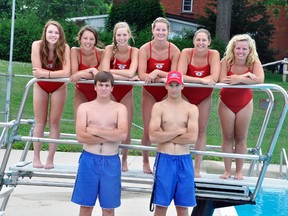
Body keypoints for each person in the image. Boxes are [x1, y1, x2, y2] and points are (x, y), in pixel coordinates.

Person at [71, 71, 128, 216]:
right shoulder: (85, 108)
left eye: (107, 85)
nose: (103, 88)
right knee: (85, 206)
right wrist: (110, 135)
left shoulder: (120, 109)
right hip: (89, 159)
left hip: (111, 161)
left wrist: (93, 130)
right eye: (100, 85)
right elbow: (81, 137)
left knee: (108, 209)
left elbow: (122, 134)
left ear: (112, 88)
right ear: (95, 87)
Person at [149, 71, 198, 216]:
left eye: (177, 85)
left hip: (184, 160)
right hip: (164, 159)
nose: (174, 88)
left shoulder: (191, 109)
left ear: (183, 86)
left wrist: (164, 136)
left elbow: (192, 138)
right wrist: (179, 131)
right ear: (166, 86)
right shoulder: (159, 107)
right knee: (161, 206)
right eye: (171, 85)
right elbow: (153, 137)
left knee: (183, 207)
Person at [218, 34, 264, 180]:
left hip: (245, 103)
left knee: (241, 137)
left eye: (244, 48)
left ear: (250, 50)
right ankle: (227, 170)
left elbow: (260, 80)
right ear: (233, 48)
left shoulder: (254, 62)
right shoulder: (226, 61)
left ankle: (238, 171)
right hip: (226, 102)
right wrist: (247, 78)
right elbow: (222, 79)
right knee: (227, 137)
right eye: (238, 48)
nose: (241, 51)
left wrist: (238, 79)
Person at [138, 17, 180, 173]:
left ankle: (162, 161)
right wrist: (162, 77)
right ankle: (145, 161)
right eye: (158, 29)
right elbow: (142, 74)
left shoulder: (174, 50)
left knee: (165, 128)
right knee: (149, 128)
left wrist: (156, 73)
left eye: (164, 30)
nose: (160, 32)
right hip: (149, 92)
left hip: (166, 93)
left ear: (169, 31)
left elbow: (175, 74)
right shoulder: (145, 49)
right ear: (152, 30)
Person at [177, 28, 220, 178]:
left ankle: (196, 168)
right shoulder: (186, 53)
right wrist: (201, 80)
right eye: (198, 40)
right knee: (183, 129)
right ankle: (181, 164)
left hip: (204, 97)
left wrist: (200, 80)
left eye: (204, 40)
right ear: (194, 41)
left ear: (209, 42)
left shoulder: (213, 54)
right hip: (186, 96)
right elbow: (180, 76)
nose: (200, 43)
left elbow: (215, 76)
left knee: (201, 131)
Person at [31, 20, 71, 169]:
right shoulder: (37, 45)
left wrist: (45, 73)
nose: (53, 35)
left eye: (56, 32)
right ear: (45, 33)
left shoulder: (65, 48)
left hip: (58, 87)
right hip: (40, 86)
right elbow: (35, 70)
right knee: (40, 122)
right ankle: (36, 158)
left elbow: (67, 72)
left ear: (60, 34)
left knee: (54, 122)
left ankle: (50, 159)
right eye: (50, 32)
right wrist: (53, 74)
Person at [100, 22, 139, 172]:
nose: (122, 38)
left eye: (124, 35)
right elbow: (104, 71)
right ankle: (110, 157)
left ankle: (124, 159)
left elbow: (132, 73)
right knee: (110, 126)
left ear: (129, 35)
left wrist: (114, 73)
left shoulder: (134, 51)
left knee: (126, 128)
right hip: (112, 92)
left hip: (126, 93)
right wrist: (126, 75)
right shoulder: (109, 49)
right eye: (119, 35)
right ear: (114, 36)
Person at [70, 25, 104, 119]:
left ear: (95, 41)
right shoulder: (75, 51)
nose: (88, 42)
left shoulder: (102, 53)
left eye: (91, 39)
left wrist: (81, 73)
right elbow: (74, 74)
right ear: (80, 39)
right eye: (85, 38)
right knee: (80, 124)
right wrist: (92, 70)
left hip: (98, 94)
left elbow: (100, 75)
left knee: (97, 126)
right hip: (81, 92)